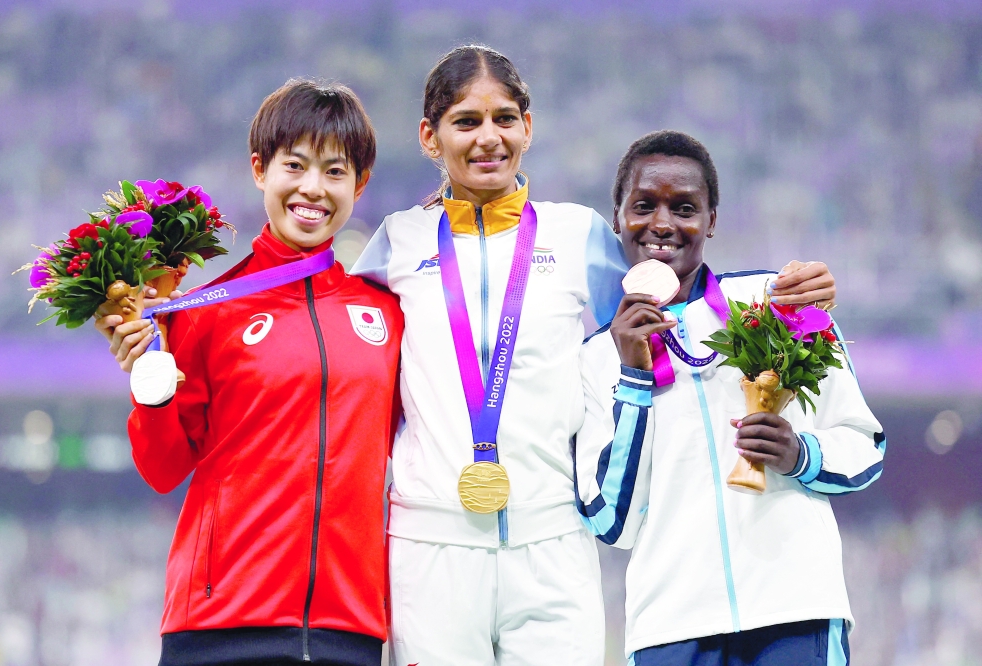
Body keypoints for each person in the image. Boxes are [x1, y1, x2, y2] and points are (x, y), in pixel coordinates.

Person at [352, 45, 838, 665]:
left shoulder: (575, 232)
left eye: (504, 118)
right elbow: (345, 347)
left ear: (528, 126)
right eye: (466, 121)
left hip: (553, 541)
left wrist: (781, 293)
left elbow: (678, 308)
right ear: (430, 135)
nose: (488, 138)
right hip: (430, 541)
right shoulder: (398, 242)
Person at [94, 79, 402, 666]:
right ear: (260, 169)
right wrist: (147, 379)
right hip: (219, 625)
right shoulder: (205, 311)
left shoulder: (387, 312)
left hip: (350, 628)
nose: (313, 188)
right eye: (296, 165)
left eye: (334, 172)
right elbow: (163, 470)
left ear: (359, 185)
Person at [575, 130, 885, 665]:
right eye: (644, 205)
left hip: (795, 610)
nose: (663, 224)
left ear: (712, 220)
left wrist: (800, 454)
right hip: (669, 629)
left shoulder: (778, 304)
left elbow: (867, 447)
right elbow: (611, 523)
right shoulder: (593, 359)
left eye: (685, 207)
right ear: (618, 218)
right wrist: (633, 376)